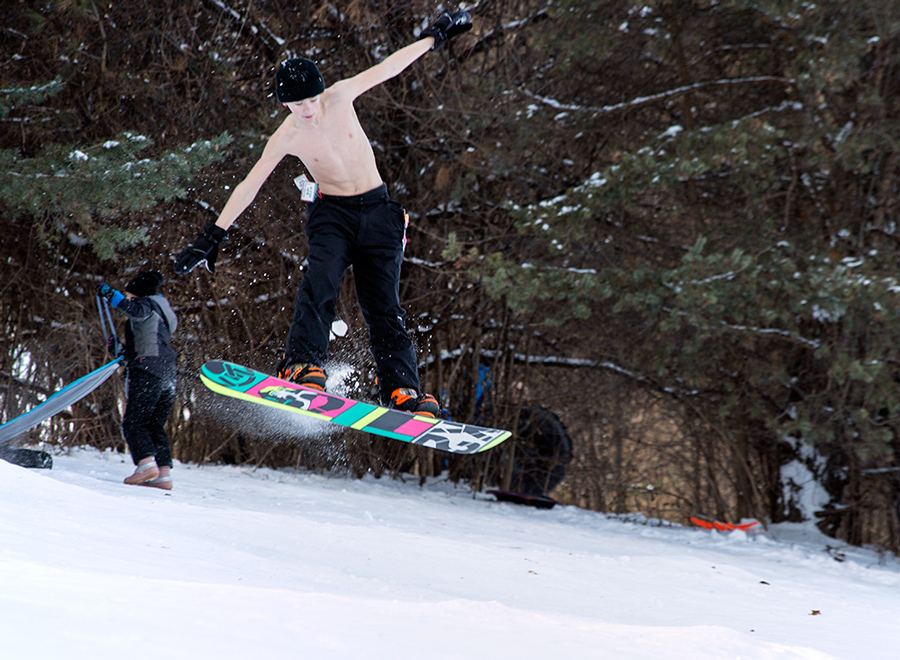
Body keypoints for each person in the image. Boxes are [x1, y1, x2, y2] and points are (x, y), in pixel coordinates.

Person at [174, 11, 472, 418]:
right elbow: (250, 184)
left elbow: (390, 66)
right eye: (298, 104)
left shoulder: (341, 95)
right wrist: (213, 235)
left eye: (312, 100)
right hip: (333, 214)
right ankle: (301, 364)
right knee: (320, 282)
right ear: (285, 103)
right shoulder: (287, 135)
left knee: (384, 305)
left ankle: (402, 390)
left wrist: (434, 38)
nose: (309, 110)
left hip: (380, 213)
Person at [96, 270, 178, 490]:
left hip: (149, 372)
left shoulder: (146, 305)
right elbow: (148, 344)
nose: (127, 298)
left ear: (138, 293)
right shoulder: (160, 312)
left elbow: (134, 311)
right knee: (154, 426)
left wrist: (111, 295)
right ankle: (163, 474)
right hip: (168, 375)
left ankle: (145, 464)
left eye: (128, 294)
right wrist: (120, 351)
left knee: (134, 423)